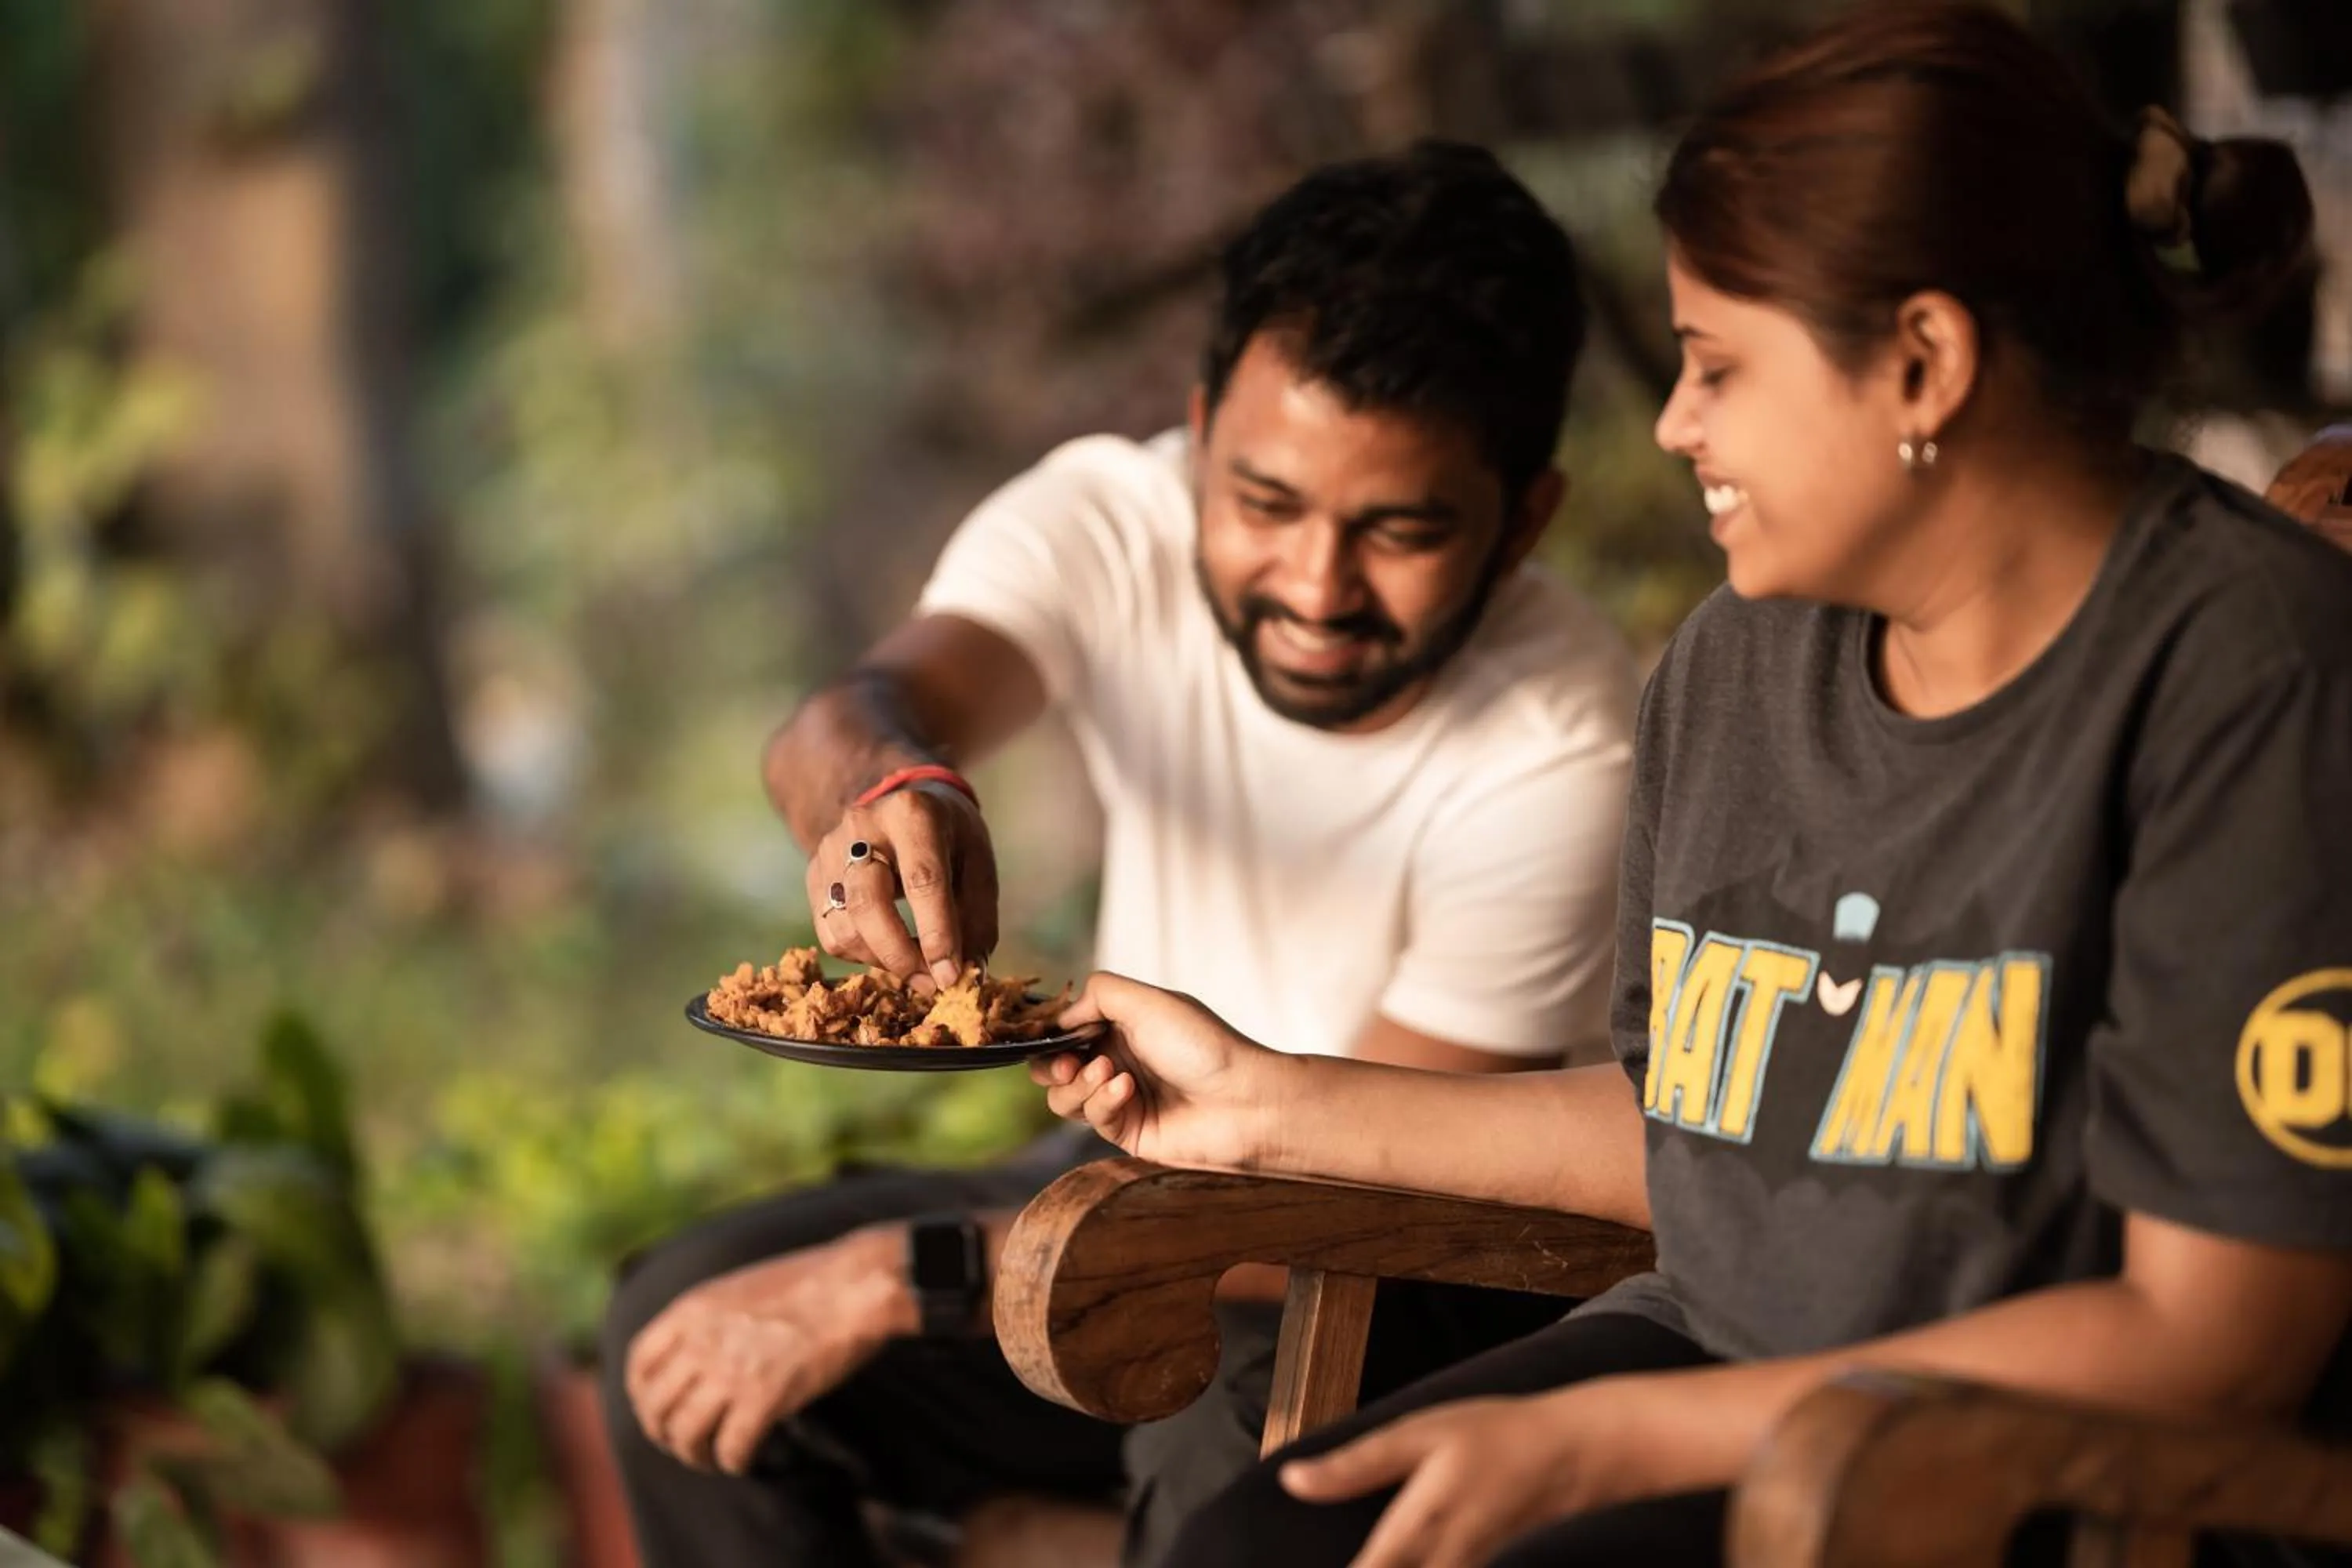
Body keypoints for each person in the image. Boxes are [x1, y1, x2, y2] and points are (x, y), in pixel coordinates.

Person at [1033, 6, 2352, 1566]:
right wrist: (1262, 1105)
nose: (1674, 424)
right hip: (1715, 1361)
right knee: (1262, 1548)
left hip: (2007, 1462)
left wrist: (1626, 1433)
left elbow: (2219, 1337)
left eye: (1719, 365)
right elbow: (1694, 1123)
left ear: (1922, 362)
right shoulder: (1736, 666)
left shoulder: (2251, 675)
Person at [600, 141, 1639, 1568]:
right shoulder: (1112, 516)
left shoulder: (1568, 743)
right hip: (1115, 1180)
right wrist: (896, 784)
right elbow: (841, 723)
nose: (1316, 587)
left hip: (1375, 1262)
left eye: (1398, 529)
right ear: (1203, 431)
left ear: (1523, 520)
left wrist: (893, 1277)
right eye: (1264, 504)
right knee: (686, 1322)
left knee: (1218, 1448)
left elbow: (1352, 1192)